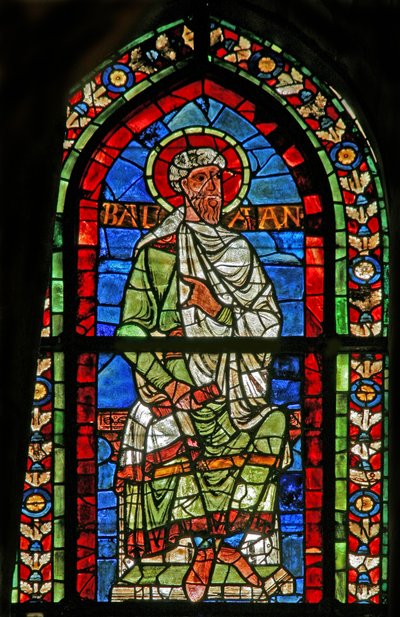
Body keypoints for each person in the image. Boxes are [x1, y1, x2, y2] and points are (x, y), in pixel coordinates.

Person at [115, 147, 289, 602]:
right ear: (180, 187)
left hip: (231, 386)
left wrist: (219, 310)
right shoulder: (156, 253)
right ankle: (203, 550)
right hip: (174, 384)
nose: (213, 189)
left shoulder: (239, 250)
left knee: (275, 424)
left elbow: (268, 321)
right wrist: (168, 383)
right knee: (165, 429)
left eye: (217, 178)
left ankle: (215, 549)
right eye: (201, 179)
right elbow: (129, 329)